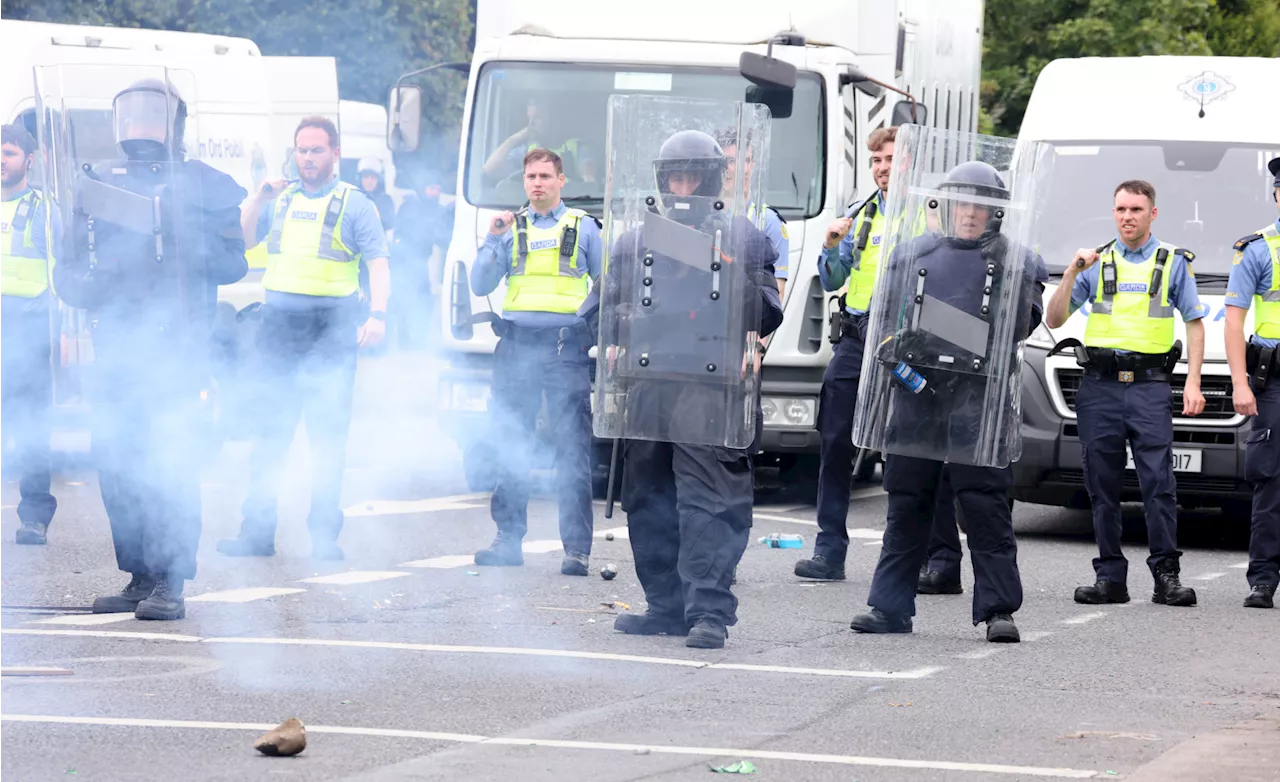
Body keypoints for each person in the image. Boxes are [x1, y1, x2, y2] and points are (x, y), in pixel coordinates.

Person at [51, 77, 248, 619]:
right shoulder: (98, 183)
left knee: (170, 462)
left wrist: (183, 229)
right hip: (116, 350)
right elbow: (69, 266)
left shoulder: (209, 185)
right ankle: (138, 574)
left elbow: (236, 264)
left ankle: (171, 581)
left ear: (174, 124)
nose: (139, 128)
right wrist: (87, 286)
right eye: (130, 117)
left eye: (151, 117)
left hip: (178, 352)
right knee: (118, 463)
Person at [588, 128, 783, 649]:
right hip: (649, 387)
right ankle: (664, 606)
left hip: (710, 390)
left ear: (713, 177)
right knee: (647, 497)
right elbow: (598, 311)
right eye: (675, 175)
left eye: (693, 175)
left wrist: (735, 271)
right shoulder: (637, 239)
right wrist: (617, 331)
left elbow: (768, 312)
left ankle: (709, 612)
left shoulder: (743, 236)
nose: (682, 185)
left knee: (709, 503)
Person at [849, 160, 1047, 643]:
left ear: (995, 212)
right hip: (917, 394)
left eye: (981, 205)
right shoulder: (910, 254)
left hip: (977, 400)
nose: (970, 213)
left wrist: (938, 325)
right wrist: (896, 343)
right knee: (907, 506)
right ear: (945, 204)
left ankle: (999, 610)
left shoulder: (1016, 261)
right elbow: (875, 323)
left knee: (985, 507)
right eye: (962, 201)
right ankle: (890, 607)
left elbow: (1020, 327)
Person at [793, 126, 962, 593]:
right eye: (876, 161)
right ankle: (829, 550)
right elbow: (833, 279)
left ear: (908, 163)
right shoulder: (860, 215)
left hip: (909, 342)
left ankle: (942, 559)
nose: (882, 168)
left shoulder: (931, 217)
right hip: (857, 336)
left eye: (889, 159)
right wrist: (829, 247)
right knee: (834, 440)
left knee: (921, 448)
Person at [217, 116, 390, 561]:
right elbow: (244, 237)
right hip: (279, 326)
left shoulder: (356, 204)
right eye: (301, 150)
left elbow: (378, 264)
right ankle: (256, 534)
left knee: (327, 439)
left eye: (316, 150)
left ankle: (323, 539)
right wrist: (258, 194)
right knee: (270, 432)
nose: (307, 158)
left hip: (331, 329)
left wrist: (378, 315)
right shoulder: (282, 198)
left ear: (335, 152)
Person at [1045, 179, 1206, 608]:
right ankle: (1110, 579)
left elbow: (1194, 321)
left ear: (1152, 213)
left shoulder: (1172, 261)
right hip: (1100, 386)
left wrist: (1192, 381)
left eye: (1136, 209)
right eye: (1120, 209)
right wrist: (1070, 273)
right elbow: (1056, 319)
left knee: (1159, 483)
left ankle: (1166, 577)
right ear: (1113, 212)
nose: (1127, 217)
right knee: (1102, 485)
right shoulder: (1095, 263)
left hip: (1150, 386)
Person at [469, 148, 600, 575]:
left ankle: (576, 549)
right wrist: (491, 238)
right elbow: (480, 282)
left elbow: (607, 287)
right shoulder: (510, 229)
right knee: (510, 444)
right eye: (530, 176)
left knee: (572, 450)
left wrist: (598, 337)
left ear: (562, 180)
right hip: (517, 348)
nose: (537, 183)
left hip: (565, 349)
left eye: (545, 175)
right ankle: (508, 539)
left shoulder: (584, 228)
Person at [1224, 155, 1280, 609]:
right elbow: (1233, 323)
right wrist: (1240, 384)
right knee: (1270, 481)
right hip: (1274, 382)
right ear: (1278, 194)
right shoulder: (1258, 250)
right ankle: (1263, 579)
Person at [0, 124, 57, 546]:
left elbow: (62, 269)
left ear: (30, 161)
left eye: (10, 153)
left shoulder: (45, 210)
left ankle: (34, 516)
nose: (1, 160)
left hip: (27, 326)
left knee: (33, 426)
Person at [715, 128, 789, 298]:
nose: (738, 169)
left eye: (745, 161)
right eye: (729, 161)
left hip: (745, 321)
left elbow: (775, 298)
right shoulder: (705, 215)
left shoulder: (768, 221)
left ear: (752, 165)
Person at [482, 95, 596, 184]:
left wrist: (587, 174)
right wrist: (515, 138)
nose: (531, 124)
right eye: (529, 119)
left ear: (554, 118)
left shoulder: (577, 147)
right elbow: (490, 170)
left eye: (538, 118)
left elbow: (589, 177)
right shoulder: (528, 150)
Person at [357, 157, 396, 240]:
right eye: (366, 177)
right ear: (360, 179)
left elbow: (390, 223)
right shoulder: (353, 198)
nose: (369, 181)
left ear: (378, 180)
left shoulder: (386, 200)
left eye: (373, 178)